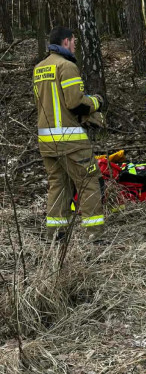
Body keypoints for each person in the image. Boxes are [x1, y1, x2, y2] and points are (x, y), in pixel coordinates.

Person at [33, 26, 105, 239]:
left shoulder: (39, 68)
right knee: (89, 181)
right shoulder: (67, 66)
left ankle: (55, 234)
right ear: (66, 41)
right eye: (74, 41)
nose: (75, 45)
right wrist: (96, 102)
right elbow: (75, 102)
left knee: (58, 185)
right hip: (70, 140)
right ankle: (95, 234)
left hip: (46, 140)